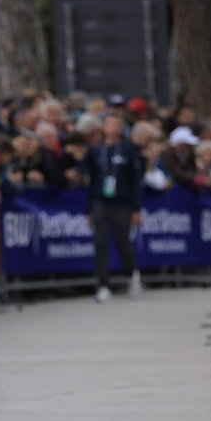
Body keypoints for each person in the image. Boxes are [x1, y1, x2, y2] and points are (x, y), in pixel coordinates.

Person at [86, 114, 142, 303]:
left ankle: (132, 274)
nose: (113, 127)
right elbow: (91, 179)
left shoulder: (128, 150)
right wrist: (89, 209)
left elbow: (135, 181)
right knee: (100, 243)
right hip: (100, 200)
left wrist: (136, 209)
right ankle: (103, 285)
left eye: (117, 124)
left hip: (122, 202)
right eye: (110, 124)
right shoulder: (96, 151)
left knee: (122, 241)